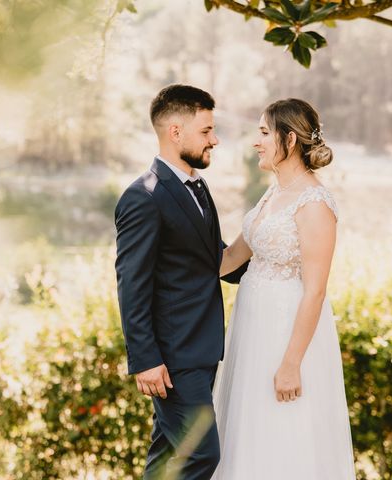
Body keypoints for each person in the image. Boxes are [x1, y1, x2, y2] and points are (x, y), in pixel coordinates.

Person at [212, 98, 356, 479]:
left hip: (286, 335)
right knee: (247, 427)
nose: (256, 142)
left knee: (283, 429)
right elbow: (228, 260)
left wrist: (291, 364)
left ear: (289, 139)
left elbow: (315, 291)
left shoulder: (315, 203)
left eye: (263, 132)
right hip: (251, 331)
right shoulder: (272, 195)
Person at [114, 84, 248, 479]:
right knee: (200, 455)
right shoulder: (143, 197)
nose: (215, 140)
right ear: (176, 132)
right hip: (171, 359)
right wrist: (146, 359)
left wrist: (273, 258)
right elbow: (131, 284)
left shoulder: (197, 188)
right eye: (206, 131)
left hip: (202, 350)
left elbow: (212, 259)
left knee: (166, 455)